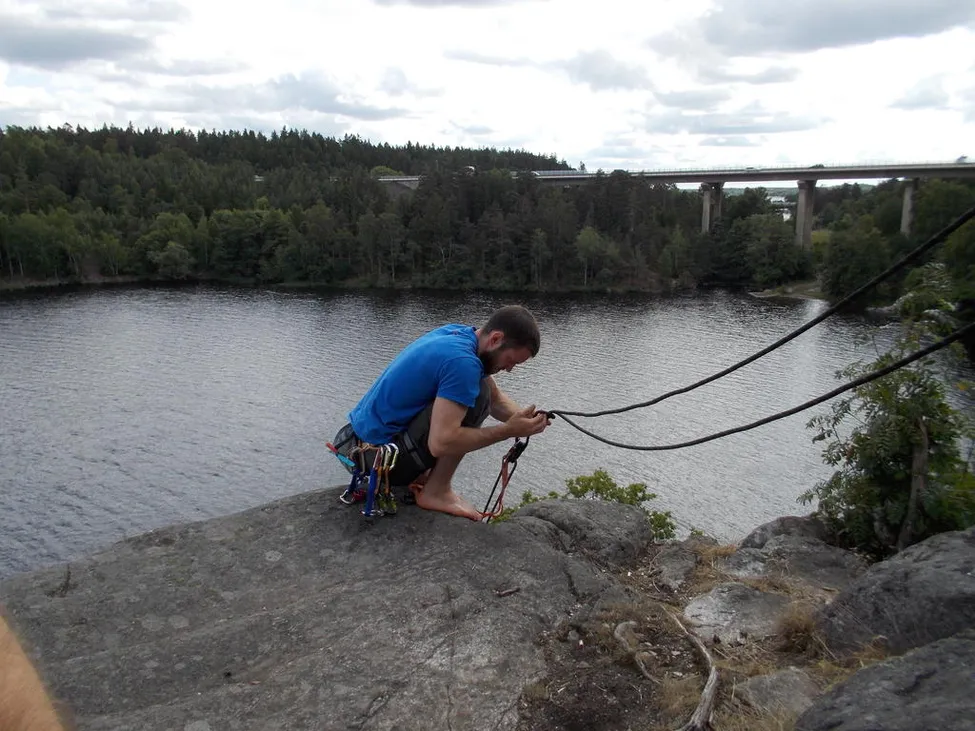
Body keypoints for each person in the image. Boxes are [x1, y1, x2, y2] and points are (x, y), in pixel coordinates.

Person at [332, 304, 552, 520]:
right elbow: (442, 442)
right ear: (495, 339)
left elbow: (496, 401)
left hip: (355, 443)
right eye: (511, 360)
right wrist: (506, 431)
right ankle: (436, 491)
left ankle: (428, 480)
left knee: (481, 391)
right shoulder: (463, 363)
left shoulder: (460, 335)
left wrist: (527, 421)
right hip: (375, 459)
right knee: (477, 396)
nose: (510, 369)